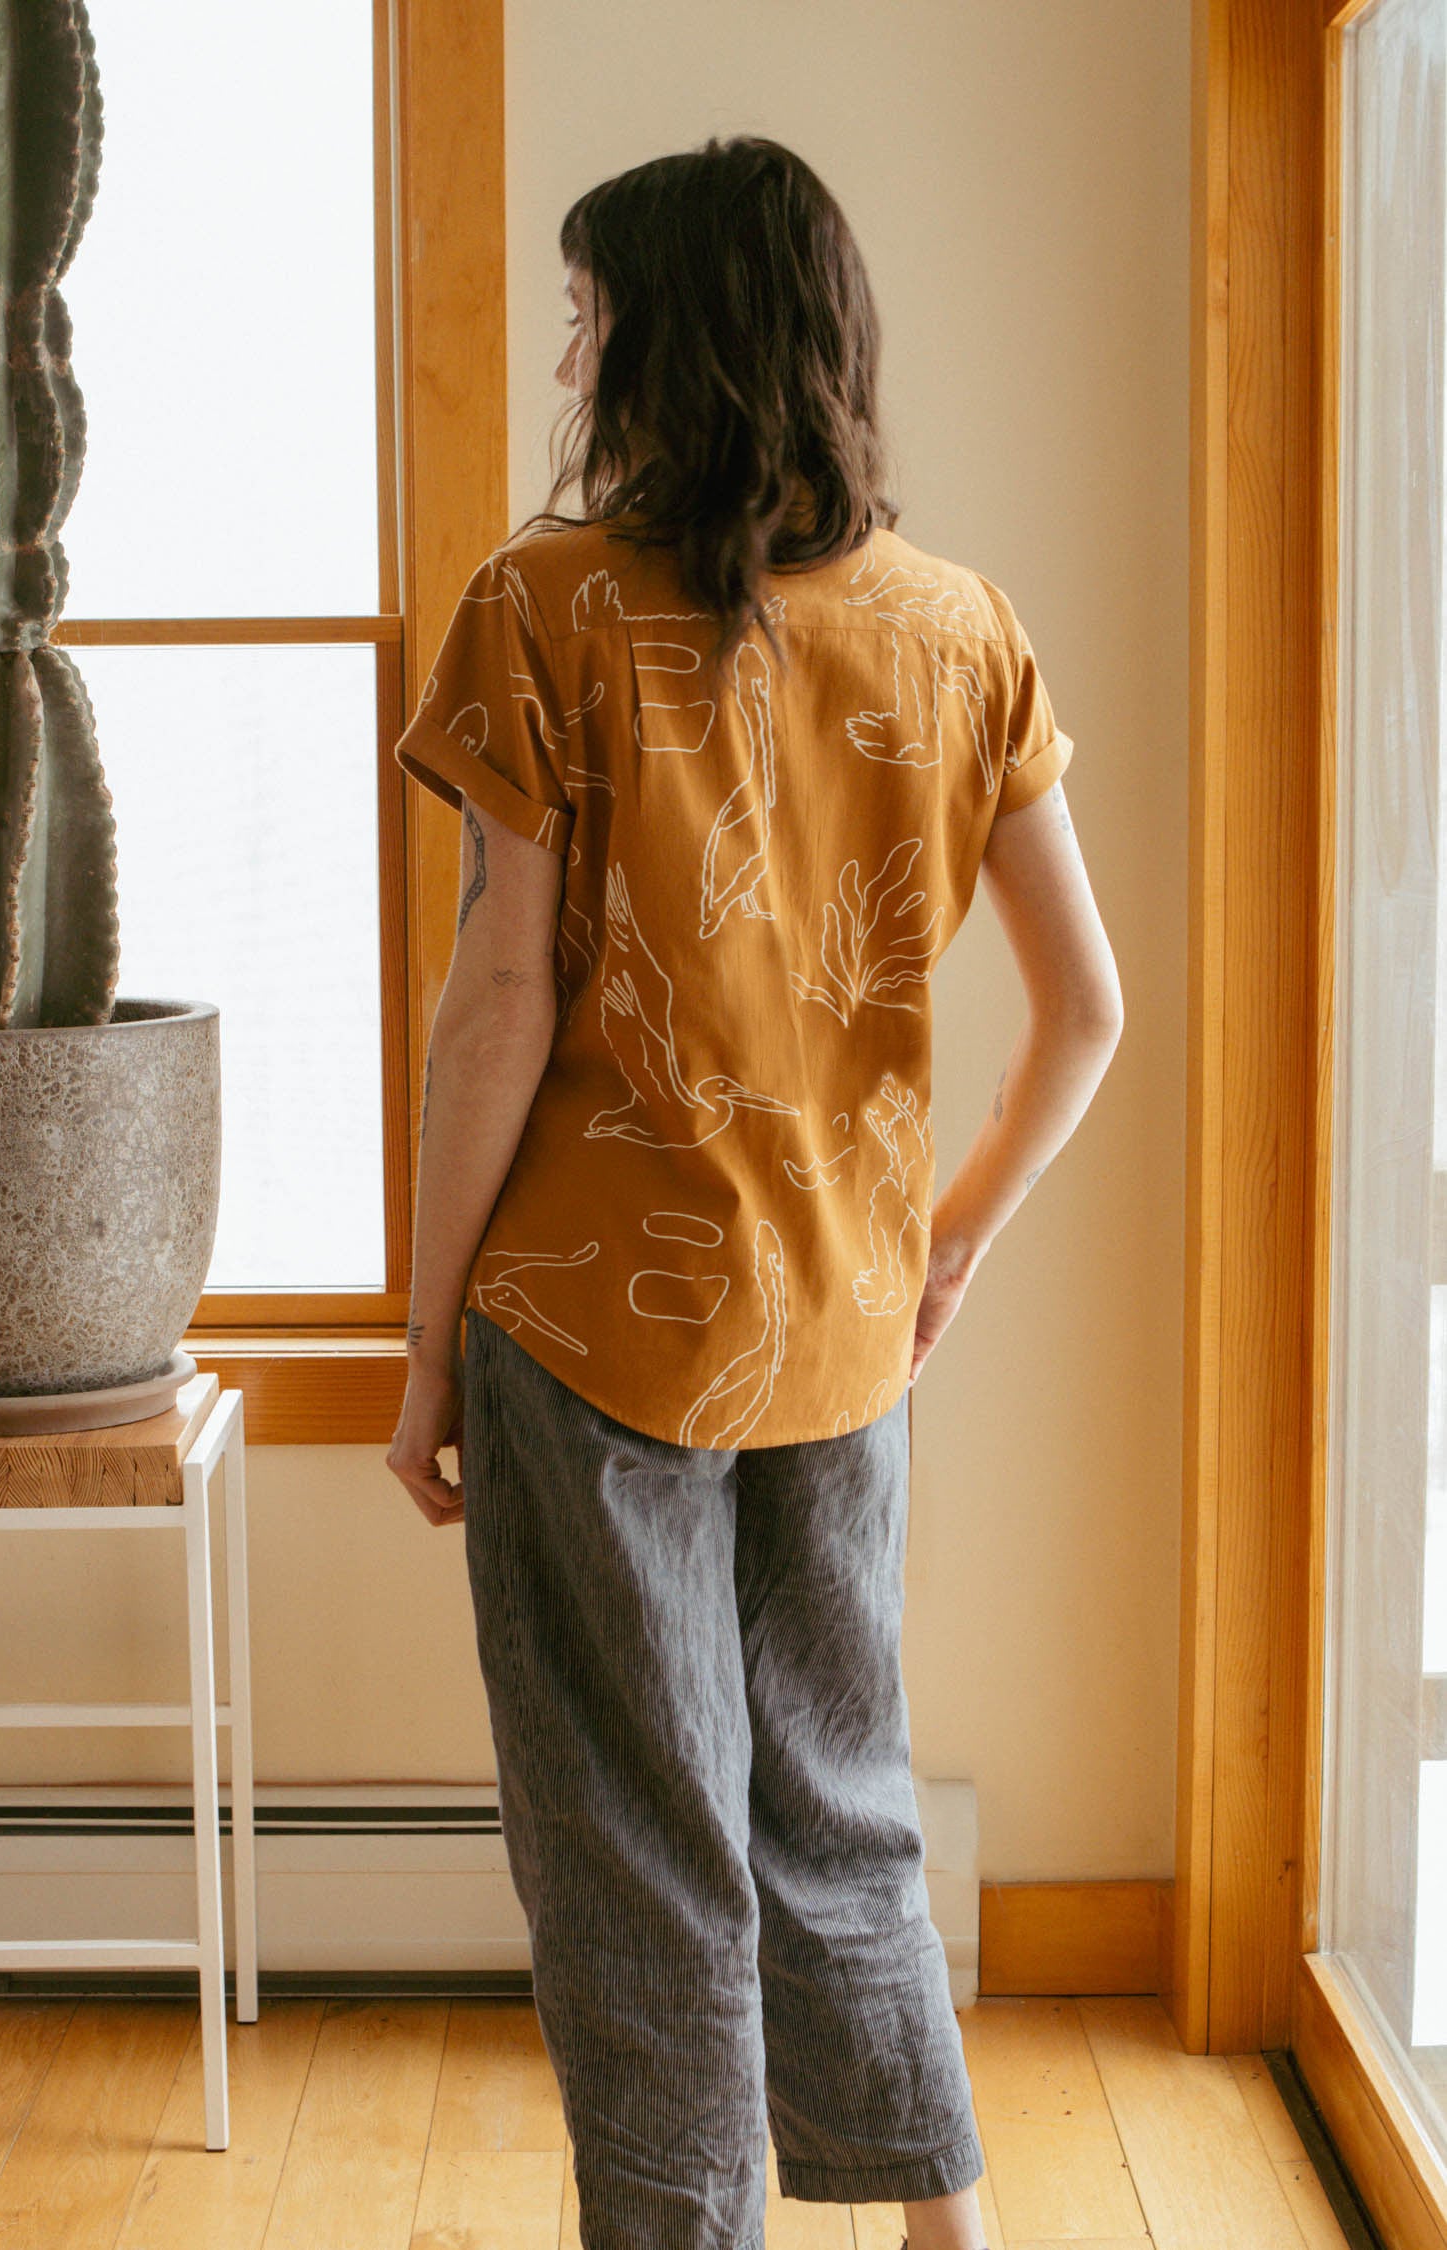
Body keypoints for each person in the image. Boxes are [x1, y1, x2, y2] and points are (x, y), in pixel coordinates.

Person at [386, 134, 1122, 2250]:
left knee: (638, 1845)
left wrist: (426, 1346)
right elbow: (1087, 1011)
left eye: (591, 312)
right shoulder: (959, 627)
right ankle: (942, 2226)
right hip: (839, 1326)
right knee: (841, 1798)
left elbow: (494, 1005)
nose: (570, 349)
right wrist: (948, 1238)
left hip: (592, 1329)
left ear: (668, 343)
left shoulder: (544, 607)